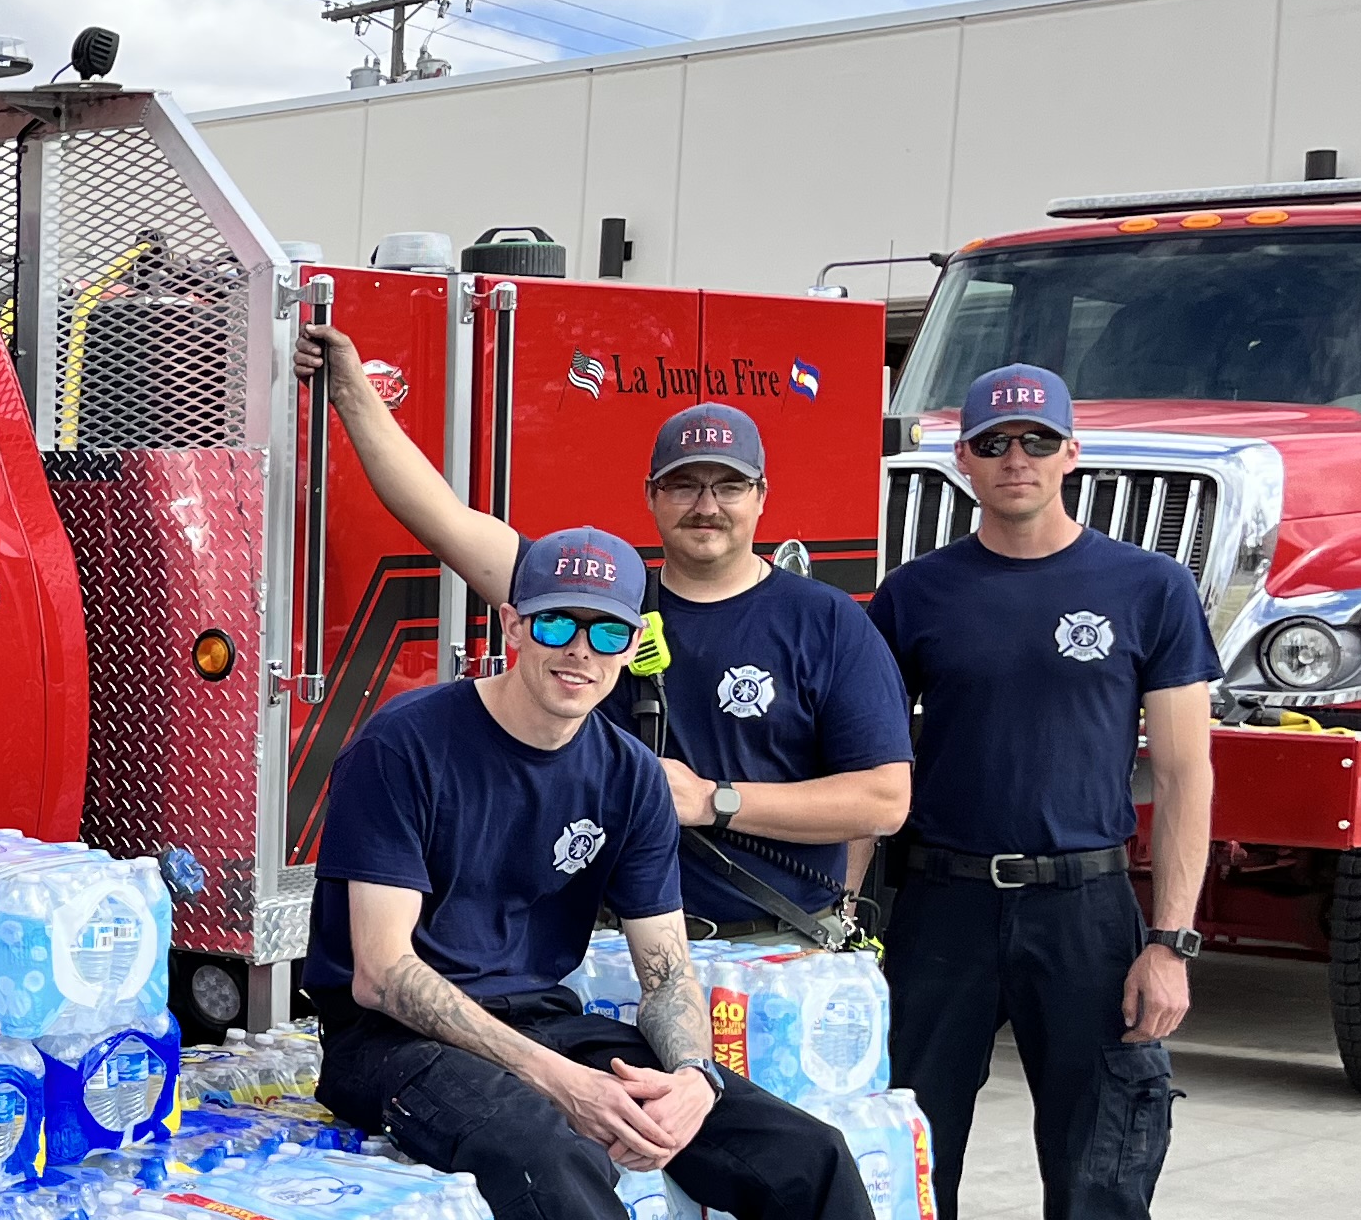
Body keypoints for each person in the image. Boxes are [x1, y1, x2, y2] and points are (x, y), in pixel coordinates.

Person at [303, 520, 1044, 1220]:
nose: (579, 650)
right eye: (557, 622)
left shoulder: (624, 776)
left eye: (607, 632)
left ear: (632, 646)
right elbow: (383, 969)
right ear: (512, 625)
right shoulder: (407, 746)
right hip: (391, 1042)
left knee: (806, 1159)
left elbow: (663, 971)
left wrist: (691, 1078)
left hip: (544, 1019)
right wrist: (562, 1082)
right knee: (557, 1158)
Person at [868, 366, 1217, 1220]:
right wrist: (847, 924)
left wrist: (1168, 940)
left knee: (1101, 1188)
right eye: (993, 442)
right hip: (942, 910)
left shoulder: (1146, 588)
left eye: (1036, 440)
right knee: (913, 1188)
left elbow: (1185, 772)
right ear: (962, 460)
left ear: (1072, 455)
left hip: (1087, 918)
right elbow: (872, 766)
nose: (1014, 459)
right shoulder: (916, 597)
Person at [304, 340, 914, 940]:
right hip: (611, 951)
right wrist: (352, 391)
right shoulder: (600, 602)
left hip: (773, 950)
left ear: (761, 497)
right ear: (651, 495)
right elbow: (443, 520)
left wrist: (713, 801)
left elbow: (884, 801)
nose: (706, 506)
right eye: (683, 485)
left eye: (729, 486)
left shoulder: (828, 621)